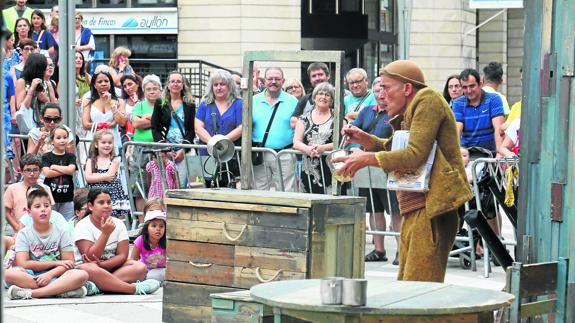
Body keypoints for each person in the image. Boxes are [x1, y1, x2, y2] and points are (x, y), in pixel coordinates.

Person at [333, 60, 472, 282]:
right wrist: (367, 139)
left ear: (407, 88)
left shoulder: (428, 100)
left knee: (418, 287)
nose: (381, 94)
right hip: (417, 206)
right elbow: (400, 147)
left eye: (386, 88)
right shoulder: (414, 106)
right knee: (407, 283)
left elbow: (415, 154)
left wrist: (368, 158)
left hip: (433, 208)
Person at [4, 186, 89, 300]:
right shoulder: (23, 234)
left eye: (46, 206)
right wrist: (55, 263)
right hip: (32, 275)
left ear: (51, 209)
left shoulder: (61, 232)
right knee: (9, 274)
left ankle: (33, 293)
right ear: (28, 212)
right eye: (37, 206)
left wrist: (50, 274)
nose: (43, 209)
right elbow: (23, 263)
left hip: (57, 275)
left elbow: (69, 262)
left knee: (81, 275)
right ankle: (59, 290)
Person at [74, 188, 160, 295]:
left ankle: (99, 287)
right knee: (88, 268)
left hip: (111, 268)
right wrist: (105, 234)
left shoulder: (119, 224)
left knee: (140, 267)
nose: (106, 206)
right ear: (90, 206)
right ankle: (133, 289)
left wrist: (103, 265)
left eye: (109, 202)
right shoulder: (82, 225)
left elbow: (122, 255)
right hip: (90, 270)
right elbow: (90, 257)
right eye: (101, 202)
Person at [352, 77, 401, 264]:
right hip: (367, 168)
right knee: (374, 209)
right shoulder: (366, 112)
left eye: (384, 89)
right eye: (377, 90)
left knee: (396, 211)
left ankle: (401, 250)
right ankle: (379, 250)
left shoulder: (396, 112)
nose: (381, 94)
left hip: (389, 166)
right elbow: (355, 132)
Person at [252, 67, 298, 192]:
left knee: (287, 192)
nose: (273, 81)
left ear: (283, 81)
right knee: (259, 191)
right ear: (264, 81)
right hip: (259, 154)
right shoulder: (253, 101)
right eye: (270, 79)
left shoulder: (293, 101)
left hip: (285, 154)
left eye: (277, 79)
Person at [195, 69, 242, 187]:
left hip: (230, 154)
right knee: (210, 185)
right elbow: (198, 127)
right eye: (215, 85)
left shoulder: (238, 104)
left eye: (222, 84)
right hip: (208, 153)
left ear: (230, 86)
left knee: (230, 186)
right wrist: (213, 143)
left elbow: (242, 127)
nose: (219, 87)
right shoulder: (205, 104)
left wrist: (223, 143)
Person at [151, 71, 196, 188]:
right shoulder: (160, 102)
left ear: (183, 85)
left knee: (182, 185)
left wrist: (183, 149)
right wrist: (165, 149)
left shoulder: (189, 104)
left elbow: (191, 129)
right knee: (166, 185)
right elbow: (155, 128)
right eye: (173, 81)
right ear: (168, 84)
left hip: (184, 150)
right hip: (166, 151)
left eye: (178, 81)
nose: (175, 84)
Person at [292, 82, 334, 193]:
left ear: (331, 100)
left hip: (331, 169)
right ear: (314, 98)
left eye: (327, 95)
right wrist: (307, 149)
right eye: (320, 94)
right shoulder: (303, 118)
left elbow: (342, 143)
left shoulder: (338, 118)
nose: (323, 97)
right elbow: (296, 142)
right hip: (308, 168)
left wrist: (323, 148)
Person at [453, 68, 505, 153]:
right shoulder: (458, 103)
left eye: (472, 86)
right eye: (465, 87)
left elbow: (498, 129)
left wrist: (499, 152)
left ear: (480, 84)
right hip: (468, 154)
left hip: (491, 154)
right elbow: (457, 130)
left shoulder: (494, 99)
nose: (469, 91)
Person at [85, 130, 131, 219]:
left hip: (112, 193)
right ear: (96, 144)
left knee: (112, 217)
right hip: (94, 193)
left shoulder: (115, 159)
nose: (107, 145)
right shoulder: (91, 160)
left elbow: (109, 177)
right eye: (103, 142)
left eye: (110, 143)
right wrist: (103, 176)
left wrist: (94, 176)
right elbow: (88, 178)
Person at [4, 154, 55, 234]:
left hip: (42, 232)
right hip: (22, 232)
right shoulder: (12, 189)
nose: (32, 173)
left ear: (40, 171)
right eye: (28, 170)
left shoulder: (45, 188)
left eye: (35, 170)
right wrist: (16, 227)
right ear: (21, 171)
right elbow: (5, 212)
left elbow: (51, 210)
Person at [81, 69, 128, 152]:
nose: (103, 84)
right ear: (94, 85)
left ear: (110, 83)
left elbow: (122, 122)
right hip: (93, 140)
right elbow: (85, 124)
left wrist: (112, 104)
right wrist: (105, 125)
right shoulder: (88, 101)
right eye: (100, 82)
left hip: (112, 141)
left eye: (106, 81)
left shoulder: (119, 101)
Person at [15, 53, 58, 134]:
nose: (46, 69)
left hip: (44, 125)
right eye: (44, 66)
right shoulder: (22, 82)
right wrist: (32, 89)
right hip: (29, 126)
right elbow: (21, 107)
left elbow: (52, 106)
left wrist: (46, 100)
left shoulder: (46, 83)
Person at [41, 126, 77, 221]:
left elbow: (71, 170)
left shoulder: (71, 156)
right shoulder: (47, 156)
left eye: (65, 137)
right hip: (50, 198)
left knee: (67, 223)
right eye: (58, 138)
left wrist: (54, 167)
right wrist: (65, 169)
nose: (62, 140)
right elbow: (47, 173)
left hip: (67, 198)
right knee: (51, 222)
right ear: (52, 141)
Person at [130, 208, 167, 283]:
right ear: (146, 229)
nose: (158, 229)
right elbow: (133, 260)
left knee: (153, 276)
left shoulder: (167, 241)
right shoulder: (140, 240)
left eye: (161, 226)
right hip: (144, 269)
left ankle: (149, 282)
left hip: (161, 270)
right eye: (154, 226)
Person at [291, 62, 331, 127]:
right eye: (314, 76)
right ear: (310, 80)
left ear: (328, 76)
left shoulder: (339, 96)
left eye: (320, 74)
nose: (317, 78)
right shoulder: (305, 99)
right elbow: (293, 121)